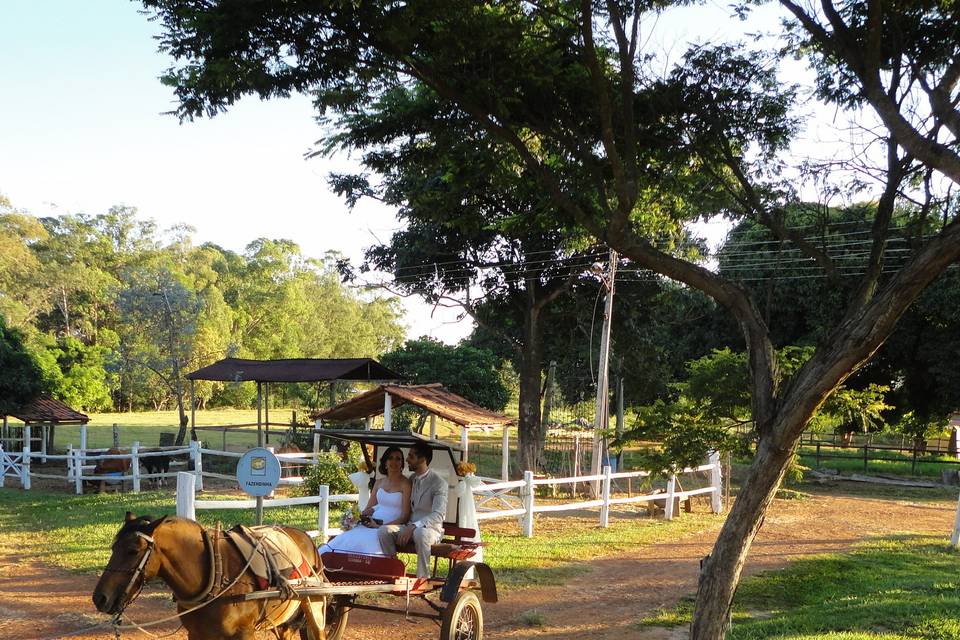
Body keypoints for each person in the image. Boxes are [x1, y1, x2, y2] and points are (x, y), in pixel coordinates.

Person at [318, 446, 411, 556]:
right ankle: (328, 559)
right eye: (390, 458)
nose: (394, 462)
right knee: (350, 535)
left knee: (368, 540)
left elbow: (405, 516)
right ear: (385, 462)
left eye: (398, 459)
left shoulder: (405, 484)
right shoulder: (379, 483)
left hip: (389, 527)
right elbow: (369, 508)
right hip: (373, 522)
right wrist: (358, 516)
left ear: (402, 463)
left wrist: (381, 526)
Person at [377, 441, 448, 578]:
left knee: (420, 533)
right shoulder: (412, 478)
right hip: (409, 527)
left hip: (430, 530)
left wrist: (414, 526)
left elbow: (439, 514)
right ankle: (392, 570)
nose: (407, 460)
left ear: (422, 459)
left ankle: (423, 577)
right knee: (384, 531)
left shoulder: (439, 483)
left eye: (410, 456)